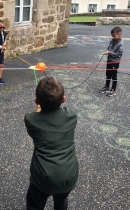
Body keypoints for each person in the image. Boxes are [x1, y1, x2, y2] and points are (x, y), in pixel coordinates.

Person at [24, 77, 78, 210]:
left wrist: (38, 112)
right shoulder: (71, 115)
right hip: (69, 175)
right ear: (63, 99)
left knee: (34, 205)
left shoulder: (30, 119)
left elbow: (34, 133)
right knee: (61, 200)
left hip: (43, 178)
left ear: (36, 101)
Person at [99, 26, 124, 97]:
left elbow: (119, 54)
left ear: (120, 34)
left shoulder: (121, 44)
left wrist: (109, 52)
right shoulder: (111, 41)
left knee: (114, 76)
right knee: (108, 74)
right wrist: (107, 51)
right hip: (109, 60)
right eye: (112, 36)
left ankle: (113, 90)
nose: (113, 37)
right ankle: (107, 87)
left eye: (115, 36)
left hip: (115, 62)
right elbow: (109, 48)